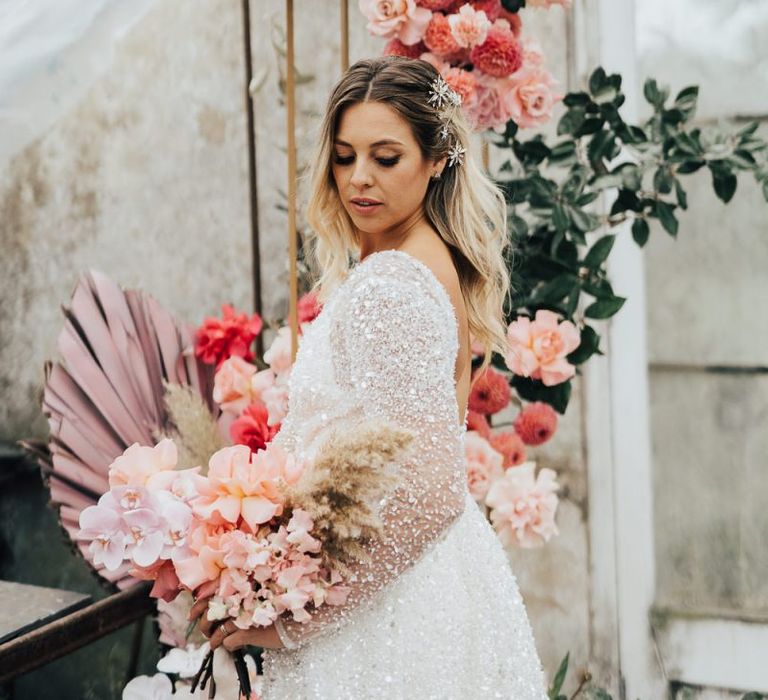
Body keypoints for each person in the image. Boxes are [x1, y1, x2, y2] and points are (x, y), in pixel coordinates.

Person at [192, 55, 549, 699]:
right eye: (345, 156)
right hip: (425, 581)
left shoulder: (393, 285)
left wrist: (297, 617)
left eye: (386, 158)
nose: (359, 179)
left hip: (387, 612)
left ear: (436, 159)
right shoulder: (420, 260)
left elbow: (429, 490)